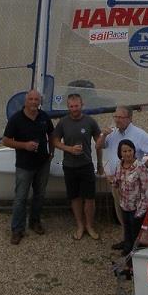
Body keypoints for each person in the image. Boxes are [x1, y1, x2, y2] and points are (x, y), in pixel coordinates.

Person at [96, 105, 148, 249]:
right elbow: (98, 146)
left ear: (129, 118)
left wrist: (141, 169)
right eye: (115, 117)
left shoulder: (139, 134)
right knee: (121, 212)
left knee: (134, 215)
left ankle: (135, 243)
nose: (117, 120)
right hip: (117, 180)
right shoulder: (113, 133)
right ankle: (127, 240)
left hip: (133, 184)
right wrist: (104, 135)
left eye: (120, 117)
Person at [1, 89, 55, 245]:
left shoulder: (44, 116)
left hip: (43, 163)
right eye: (30, 99)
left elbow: (51, 135)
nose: (33, 102)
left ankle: (35, 221)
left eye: (36, 100)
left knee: (40, 195)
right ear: (25, 101)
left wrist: (51, 153)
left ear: (40, 102)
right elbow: (5, 140)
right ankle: (17, 229)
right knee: (20, 198)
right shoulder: (16, 119)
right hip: (25, 165)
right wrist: (24, 145)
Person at [52, 92, 102, 240]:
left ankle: (89, 226)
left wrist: (99, 163)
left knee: (90, 198)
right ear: (68, 106)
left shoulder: (90, 122)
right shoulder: (63, 122)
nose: (74, 109)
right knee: (75, 197)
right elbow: (54, 141)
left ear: (82, 105)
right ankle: (80, 225)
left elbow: (99, 144)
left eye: (77, 106)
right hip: (69, 165)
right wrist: (68, 149)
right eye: (71, 106)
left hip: (86, 164)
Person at [112, 139, 148, 274]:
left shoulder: (140, 167)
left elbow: (146, 191)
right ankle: (127, 251)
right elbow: (117, 182)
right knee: (127, 230)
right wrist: (113, 182)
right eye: (124, 151)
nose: (127, 154)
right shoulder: (119, 165)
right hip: (124, 205)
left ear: (134, 151)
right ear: (120, 153)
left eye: (130, 150)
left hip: (136, 208)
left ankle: (136, 259)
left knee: (136, 234)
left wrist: (141, 211)